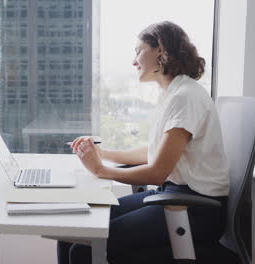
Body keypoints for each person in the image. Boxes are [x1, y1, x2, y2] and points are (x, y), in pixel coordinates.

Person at [58, 21, 229, 263]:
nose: (134, 60)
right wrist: (102, 153)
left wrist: (100, 170)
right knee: (75, 228)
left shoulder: (185, 97)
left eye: (138, 51)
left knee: (84, 249)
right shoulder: (173, 94)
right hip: (174, 197)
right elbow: (153, 154)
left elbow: (157, 171)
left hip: (194, 210)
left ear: (160, 50)